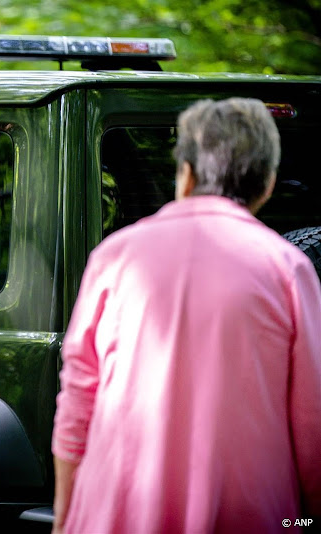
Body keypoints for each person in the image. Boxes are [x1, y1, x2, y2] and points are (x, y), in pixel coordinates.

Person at [52, 98, 321, 533]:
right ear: (267, 184)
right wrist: (304, 521)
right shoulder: (286, 268)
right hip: (250, 512)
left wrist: (66, 517)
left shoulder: (114, 257)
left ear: (187, 174)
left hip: (117, 511)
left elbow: (77, 402)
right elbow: (312, 424)